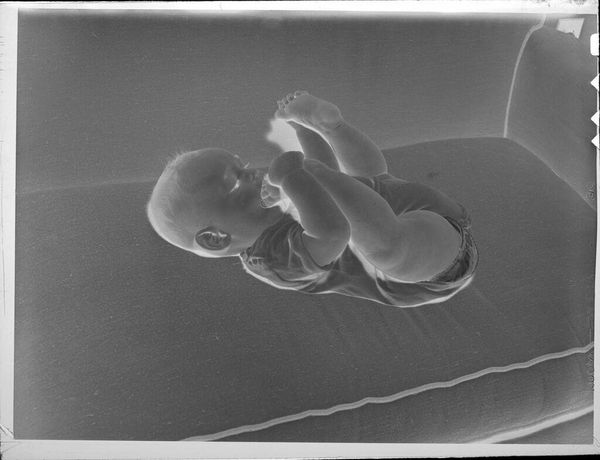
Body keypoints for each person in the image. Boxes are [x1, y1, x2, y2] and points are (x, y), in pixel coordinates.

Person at [146, 91, 478, 306]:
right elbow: (333, 232)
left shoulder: (272, 204)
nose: (252, 173)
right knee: (384, 245)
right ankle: (330, 136)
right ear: (216, 238)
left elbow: (327, 179)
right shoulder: (271, 258)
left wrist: (305, 132)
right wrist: (297, 176)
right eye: (235, 183)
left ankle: (332, 127)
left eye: (242, 166)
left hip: (409, 210)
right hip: (429, 265)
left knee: (365, 177)